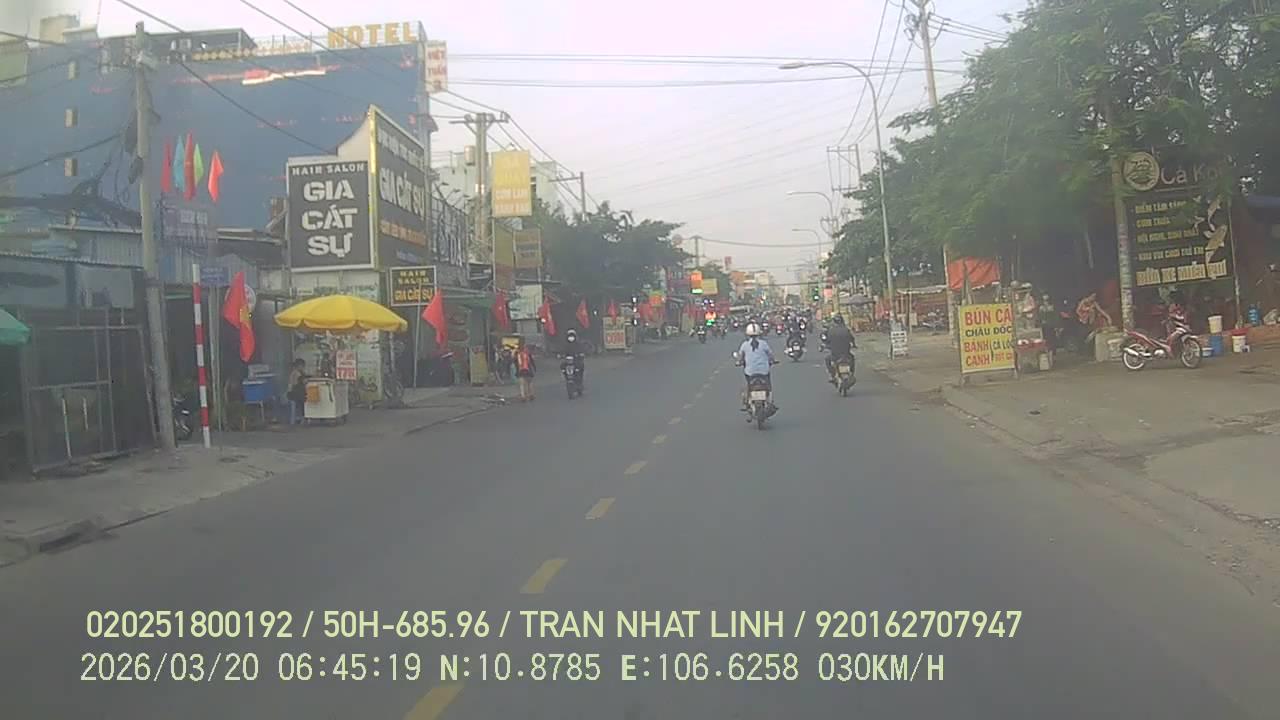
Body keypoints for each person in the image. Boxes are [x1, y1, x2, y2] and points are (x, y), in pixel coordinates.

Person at [736, 322, 777, 415]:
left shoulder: (745, 345)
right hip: (764, 371)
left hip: (750, 372)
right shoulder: (764, 344)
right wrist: (773, 360)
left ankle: (746, 402)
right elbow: (770, 355)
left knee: (747, 385)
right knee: (768, 386)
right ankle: (770, 401)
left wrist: (739, 362)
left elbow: (740, 357)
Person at [824, 314, 857, 384]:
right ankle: (852, 373)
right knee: (852, 359)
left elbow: (827, 341)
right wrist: (854, 345)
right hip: (846, 354)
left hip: (835, 354)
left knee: (827, 359)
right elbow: (852, 339)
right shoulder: (846, 330)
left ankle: (832, 375)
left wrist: (826, 346)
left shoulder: (831, 330)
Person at [286, 358, 308, 426]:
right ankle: (294, 422)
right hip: (294, 393)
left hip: (295, 393)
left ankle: (295, 421)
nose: (303, 367)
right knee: (297, 407)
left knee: (296, 407)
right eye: (302, 366)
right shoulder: (296, 373)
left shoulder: (297, 372)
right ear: (298, 366)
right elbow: (302, 381)